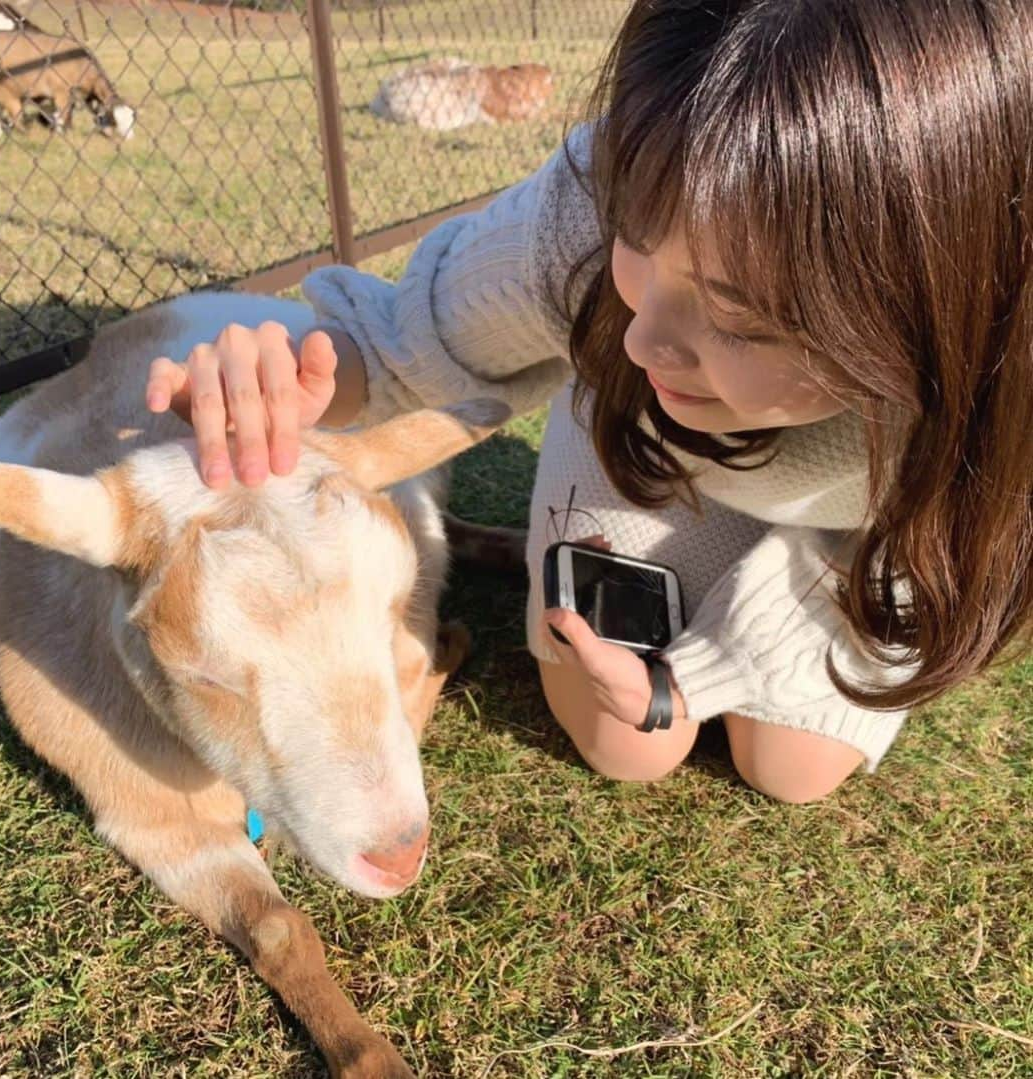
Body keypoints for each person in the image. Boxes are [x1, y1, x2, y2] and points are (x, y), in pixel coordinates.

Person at [144, 0, 1033, 802]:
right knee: (628, 744)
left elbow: (925, 560)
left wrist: (703, 672)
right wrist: (300, 371)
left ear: (938, 320)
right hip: (638, 452)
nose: (642, 340)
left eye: (745, 319)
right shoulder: (616, 184)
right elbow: (410, 338)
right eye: (639, 243)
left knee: (791, 769)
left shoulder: (997, 373)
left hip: (854, 533)